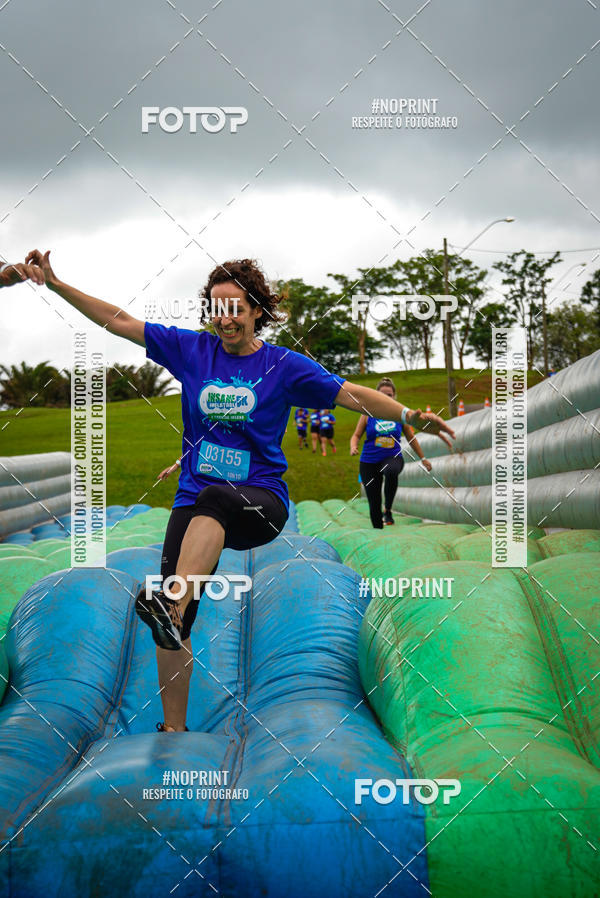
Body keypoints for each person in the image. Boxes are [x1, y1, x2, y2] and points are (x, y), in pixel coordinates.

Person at [23, 249, 454, 732]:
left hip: (259, 502)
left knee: (218, 499)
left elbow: (350, 394)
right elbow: (119, 321)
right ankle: (173, 721)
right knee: (176, 616)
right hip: (195, 500)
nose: (225, 318)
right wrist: (56, 285)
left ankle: (172, 603)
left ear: (256, 312)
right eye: (216, 307)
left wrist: (409, 415)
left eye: (236, 308)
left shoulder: (283, 366)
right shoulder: (192, 351)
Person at [350, 377, 432, 528]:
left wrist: (423, 458)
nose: (386, 398)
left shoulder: (399, 415)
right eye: (382, 394)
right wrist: (353, 446)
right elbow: (356, 435)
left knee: (391, 471)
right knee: (374, 504)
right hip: (368, 462)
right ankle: (378, 527)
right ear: (376, 395)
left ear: (394, 396)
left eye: (389, 395)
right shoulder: (367, 414)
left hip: (392, 457)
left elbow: (411, 438)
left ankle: (387, 509)